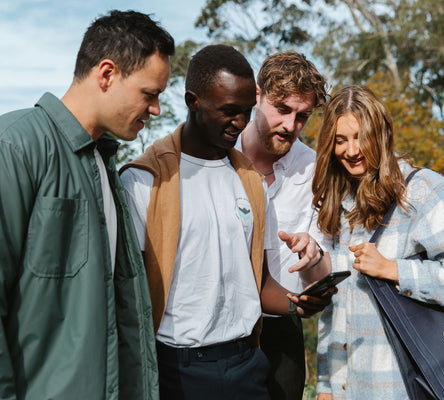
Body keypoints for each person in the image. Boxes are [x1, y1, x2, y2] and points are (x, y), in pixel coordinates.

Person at [120, 45, 331, 400]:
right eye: (229, 111)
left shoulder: (250, 182)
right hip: (176, 368)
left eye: (244, 112)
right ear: (193, 101)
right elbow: (128, 295)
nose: (239, 122)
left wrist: (299, 302)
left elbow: (259, 281)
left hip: (248, 362)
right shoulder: (143, 182)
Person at [0, 10, 174, 400]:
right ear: (107, 73)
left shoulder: (105, 163)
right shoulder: (13, 146)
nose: (157, 109)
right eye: (150, 94)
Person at [309, 85, 444, 399]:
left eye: (361, 137)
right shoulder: (338, 205)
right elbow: (336, 310)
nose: (351, 151)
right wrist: (326, 385)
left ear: (381, 134)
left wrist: (394, 270)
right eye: (340, 140)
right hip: (348, 389)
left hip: (404, 387)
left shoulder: (423, 191)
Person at [235, 51, 331, 400]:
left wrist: (315, 256)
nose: (291, 125)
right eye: (282, 109)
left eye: (302, 116)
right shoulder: (217, 156)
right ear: (257, 96)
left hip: (282, 331)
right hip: (219, 331)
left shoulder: (316, 171)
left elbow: (321, 267)